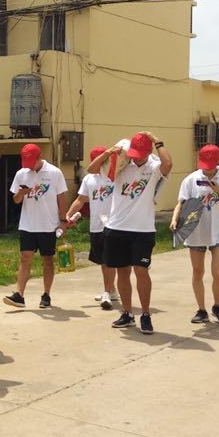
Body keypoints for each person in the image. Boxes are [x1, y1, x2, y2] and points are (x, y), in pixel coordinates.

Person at [87, 131, 172, 334]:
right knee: (122, 271)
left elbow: (168, 164)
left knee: (141, 271)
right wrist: (109, 152)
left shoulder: (153, 167)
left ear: (149, 151)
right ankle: (127, 313)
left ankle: (145, 314)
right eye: (134, 153)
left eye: (140, 154)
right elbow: (92, 169)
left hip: (142, 229)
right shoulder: (121, 165)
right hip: (116, 227)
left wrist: (156, 140)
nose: (136, 157)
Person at [170, 144, 219, 325]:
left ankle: (217, 306)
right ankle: (201, 310)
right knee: (198, 271)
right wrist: (175, 219)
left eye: (210, 164)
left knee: (217, 271)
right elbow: (181, 203)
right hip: (196, 230)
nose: (207, 168)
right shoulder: (191, 179)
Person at [3, 143, 68, 309]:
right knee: (25, 258)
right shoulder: (21, 174)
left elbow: (61, 198)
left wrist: (63, 221)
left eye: (31, 162)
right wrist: (20, 193)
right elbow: (16, 200)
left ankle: (46, 294)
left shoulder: (54, 173)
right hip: (28, 224)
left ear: (39, 158)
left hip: (48, 225)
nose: (29, 166)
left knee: (47, 259)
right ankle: (19, 295)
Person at [66, 146, 117, 310]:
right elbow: (80, 200)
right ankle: (112, 289)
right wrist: (68, 214)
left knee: (109, 260)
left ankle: (107, 293)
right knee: (103, 261)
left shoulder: (115, 176)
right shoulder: (89, 179)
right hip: (96, 225)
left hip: (113, 224)